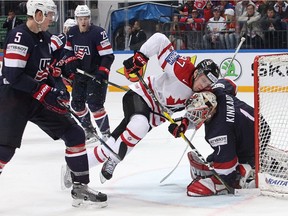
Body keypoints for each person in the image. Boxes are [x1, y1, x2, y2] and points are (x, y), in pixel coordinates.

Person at [0, 0, 107, 207]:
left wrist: (61, 78)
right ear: (37, 13)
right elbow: (13, 76)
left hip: (36, 97)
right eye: (49, 15)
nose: (51, 19)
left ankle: (80, 188)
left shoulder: (45, 38)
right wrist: (45, 91)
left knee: (75, 133)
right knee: (5, 150)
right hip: (13, 97)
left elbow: (49, 69)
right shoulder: (19, 36)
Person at [80, 32, 220, 185]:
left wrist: (184, 125)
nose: (203, 86)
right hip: (141, 95)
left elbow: (197, 117)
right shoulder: (181, 66)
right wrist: (140, 58)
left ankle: (77, 166)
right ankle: (113, 159)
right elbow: (160, 39)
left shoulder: (204, 95)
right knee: (139, 126)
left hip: (155, 116)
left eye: (208, 84)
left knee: (116, 143)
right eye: (203, 80)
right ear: (198, 72)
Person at [168, 78, 271, 196]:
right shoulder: (218, 91)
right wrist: (185, 123)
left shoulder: (219, 130)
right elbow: (230, 83)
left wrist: (217, 181)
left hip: (254, 141)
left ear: (208, 112)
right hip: (259, 124)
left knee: (227, 165)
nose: (194, 118)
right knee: (216, 157)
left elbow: (227, 166)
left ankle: (250, 163)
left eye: (197, 114)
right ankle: (253, 159)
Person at [63, 5, 115, 142]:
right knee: (77, 104)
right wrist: (71, 60)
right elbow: (68, 51)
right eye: (80, 19)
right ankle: (89, 130)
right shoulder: (72, 32)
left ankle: (106, 133)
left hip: (96, 74)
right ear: (76, 19)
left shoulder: (98, 33)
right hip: (80, 75)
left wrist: (102, 72)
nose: (83, 21)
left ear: (90, 19)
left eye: (86, 18)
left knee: (94, 104)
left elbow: (108, 56)